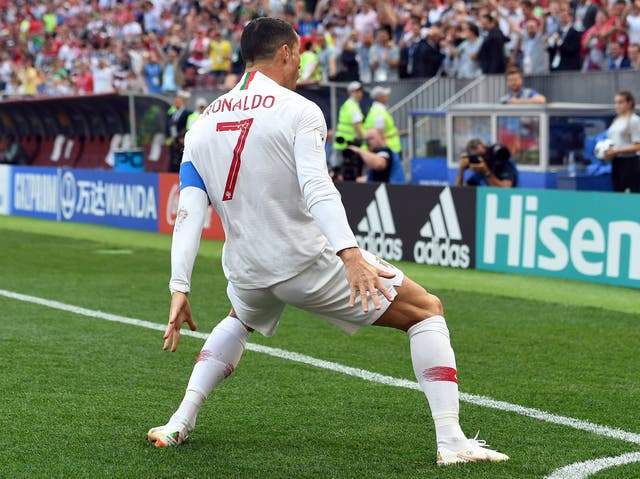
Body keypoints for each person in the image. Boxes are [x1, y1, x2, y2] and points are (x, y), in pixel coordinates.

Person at [147, 17, 509, 466]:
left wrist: (179, 287)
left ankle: (180, 421)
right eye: (298, 53)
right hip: (303, 260)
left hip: (247, 269)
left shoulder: (201, 124)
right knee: (426, 310)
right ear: (284, 52)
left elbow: (189, 212)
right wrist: (350, 254)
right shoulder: (300, 110)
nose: (300, 64)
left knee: (239, 319)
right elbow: (318, 187)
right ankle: (453, 441)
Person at [601, 91, 640, 192]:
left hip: (630, 163)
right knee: (618, 194)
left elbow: (638, 145)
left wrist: (617, 150)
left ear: (629, 103)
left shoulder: (633, 120)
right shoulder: (616, 121)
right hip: (616, 162)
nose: (617, 106)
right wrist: (607, 153)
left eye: (620, 102)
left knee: (630, 196)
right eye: (616, 102)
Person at [363, 86, 405, 161]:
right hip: (389, 149)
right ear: (380, 98)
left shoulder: (375, 110)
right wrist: (384, 148)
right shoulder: (379, 112)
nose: (387, 97)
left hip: (387, 148)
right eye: (384, 95)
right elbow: (380, 132)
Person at [333, 81, 365, 175]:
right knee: (347, 172)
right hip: (349, 145)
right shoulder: (353, 107)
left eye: (360, 91)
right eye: (356, 91)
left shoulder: (347, 105)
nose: (360, 93)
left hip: (342, 143)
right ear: (350, 93)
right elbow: (358, 128)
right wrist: (364, 141)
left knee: (338, 170)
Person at [166, 90, 192, 173]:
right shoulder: (171, 114)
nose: (176, 101)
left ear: (184, 101)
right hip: (173, 144)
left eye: (178, 99)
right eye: (175, 99)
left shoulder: (188, 114)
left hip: (182, 144)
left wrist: (181, 138)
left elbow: (188, 128)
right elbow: (168, 127)